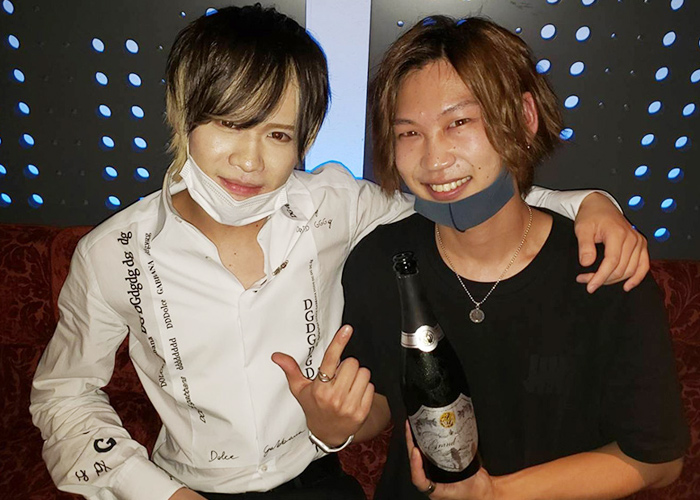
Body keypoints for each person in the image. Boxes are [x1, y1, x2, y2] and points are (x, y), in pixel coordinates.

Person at [30, 6, 650, 500]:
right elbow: (63, 394)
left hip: (315, 478)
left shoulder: (334, 204)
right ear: (183, 115)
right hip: (180, 483)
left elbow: (452, 195)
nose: (250, 160)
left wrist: (585, 204)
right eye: (228, 124)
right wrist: (156, 493)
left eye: (278, 134)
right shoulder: (112, 253)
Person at [342, 15, 688, 500]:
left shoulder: (604, 266)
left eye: (459, 123)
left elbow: (658, 459)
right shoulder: (380, 260)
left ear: (525, 117)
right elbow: (378, 404)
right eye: (409, 134)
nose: (434, 160)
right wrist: (334, 422)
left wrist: (497, 493)